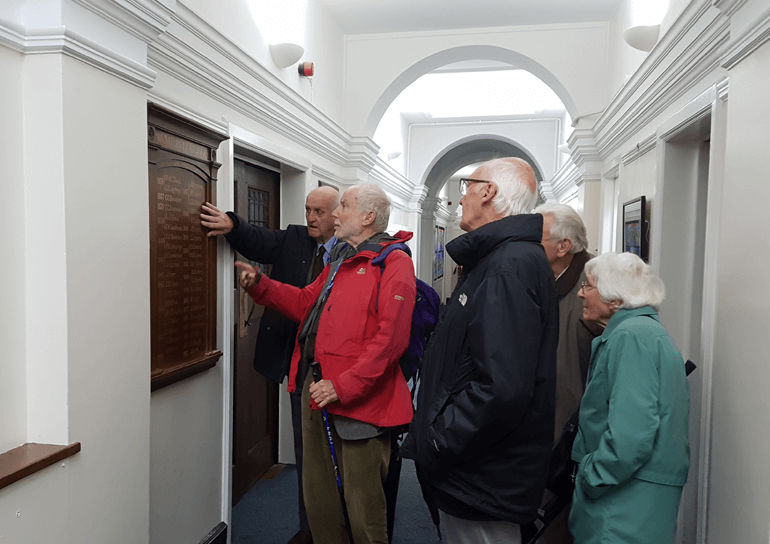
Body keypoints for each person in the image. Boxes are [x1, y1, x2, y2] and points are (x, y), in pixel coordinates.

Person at [235, 183, 415, 544]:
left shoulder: (394, 262)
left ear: (367, 217)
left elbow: (389, 342)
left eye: (342, 207)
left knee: (363, 509)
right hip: (316, 392)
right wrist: (261, 286)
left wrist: (344, 386)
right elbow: (304, 303)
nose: (334, 214)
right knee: (321, 502)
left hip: (360, 403)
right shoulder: (340, 261)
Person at [401, 157, 559, 544]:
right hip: (480, 471)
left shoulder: (508, 266)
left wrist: (440, 438)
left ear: (488, 192)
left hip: (482, 474)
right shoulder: (501, 259)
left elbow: (502, 386)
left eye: (468, 185)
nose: (461, 197)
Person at [200, 185, 340, 544]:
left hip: (338, 371)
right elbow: (260, 241)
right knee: (308, 454)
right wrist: (232, 224)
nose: (310, 217)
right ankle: (308, 529)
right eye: (308, 209)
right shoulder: (294, 239)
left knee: (339, 455)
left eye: (319, 212)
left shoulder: (350, 252)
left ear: (338, 215)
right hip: (298, 366)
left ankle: (340, 529)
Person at [570, 252, 690, 544]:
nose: (580, 294)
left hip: (622, 506)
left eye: (588, 285)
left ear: (615, 299)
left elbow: (631, 435)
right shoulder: (645, 332)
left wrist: (591, 475)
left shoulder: (631, 336)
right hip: (634, 501)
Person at [532, 202, 603, 544]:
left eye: (538, 237)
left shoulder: (595, 289)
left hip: (572, 436)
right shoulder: (545, 278)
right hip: (544, 427)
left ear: (564, 246)